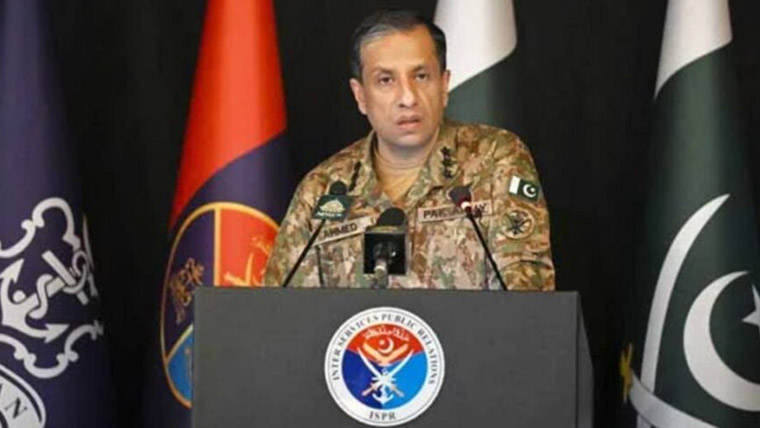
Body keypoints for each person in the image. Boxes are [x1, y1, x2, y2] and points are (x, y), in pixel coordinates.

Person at [263, 10, 554, 290]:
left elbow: (528, 300)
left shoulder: (495, 160)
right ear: (360, 96)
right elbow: (281, 310)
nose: (407, 97)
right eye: (386, 80)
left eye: (421, 76)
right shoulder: (324, 187)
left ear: (444, 85)